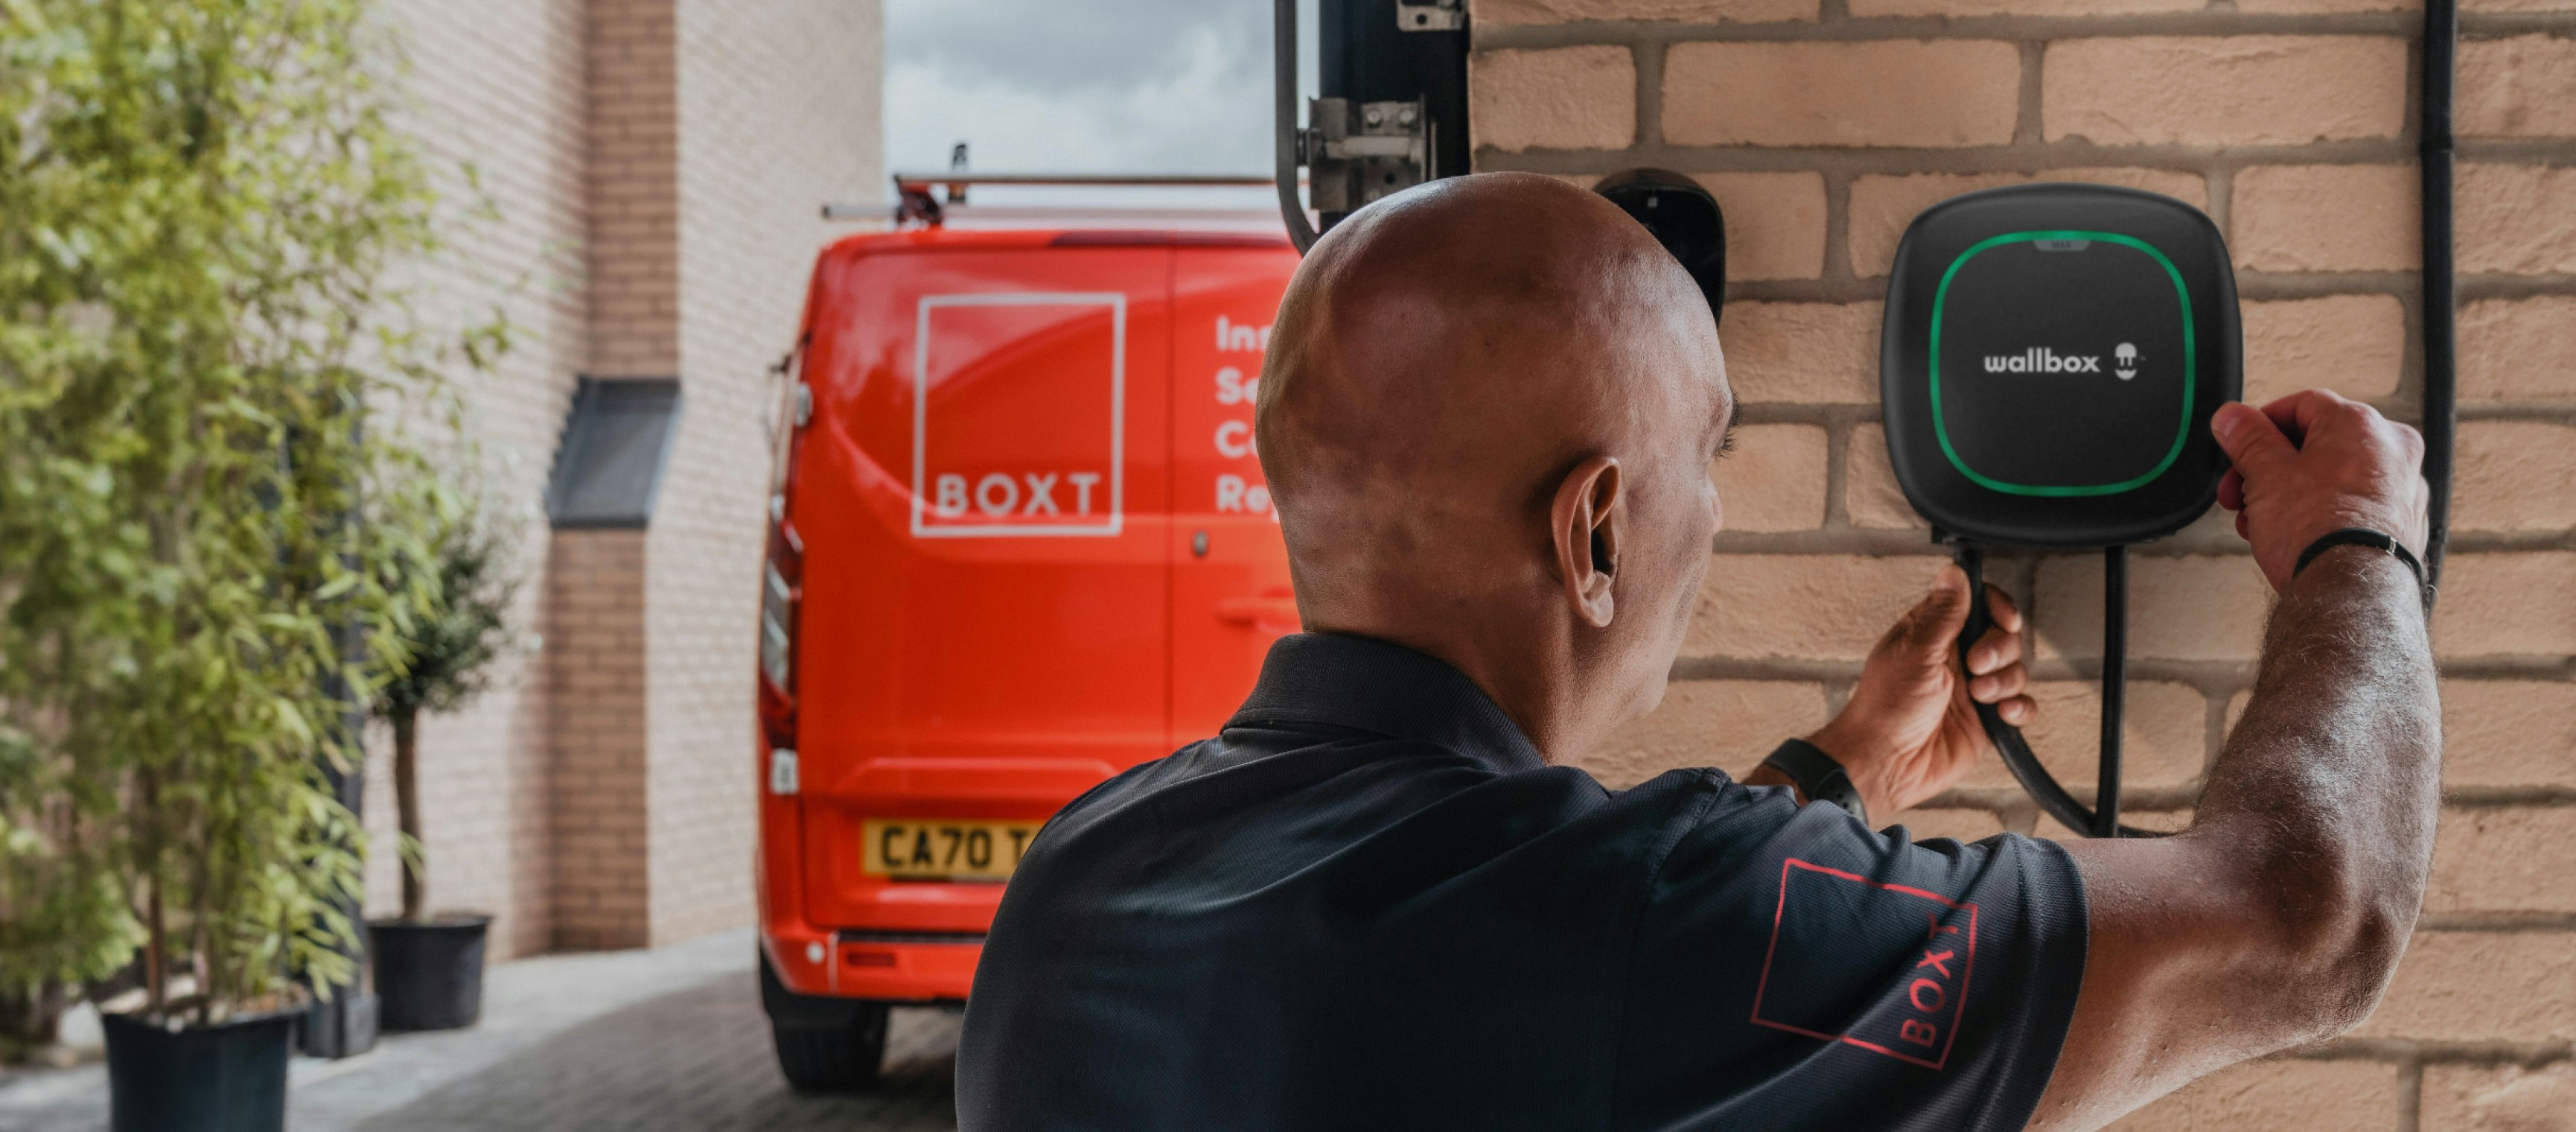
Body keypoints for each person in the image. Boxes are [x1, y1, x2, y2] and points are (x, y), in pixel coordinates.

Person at [955, 173, 2438, 1132]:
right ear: (1591, 531)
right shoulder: (1618, 925)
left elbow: (1570, 996)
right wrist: (2354, 545)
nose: (1713, 514)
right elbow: (2306, 919)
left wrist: (1848, 764)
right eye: (1705, 454)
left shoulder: (1080, 876)